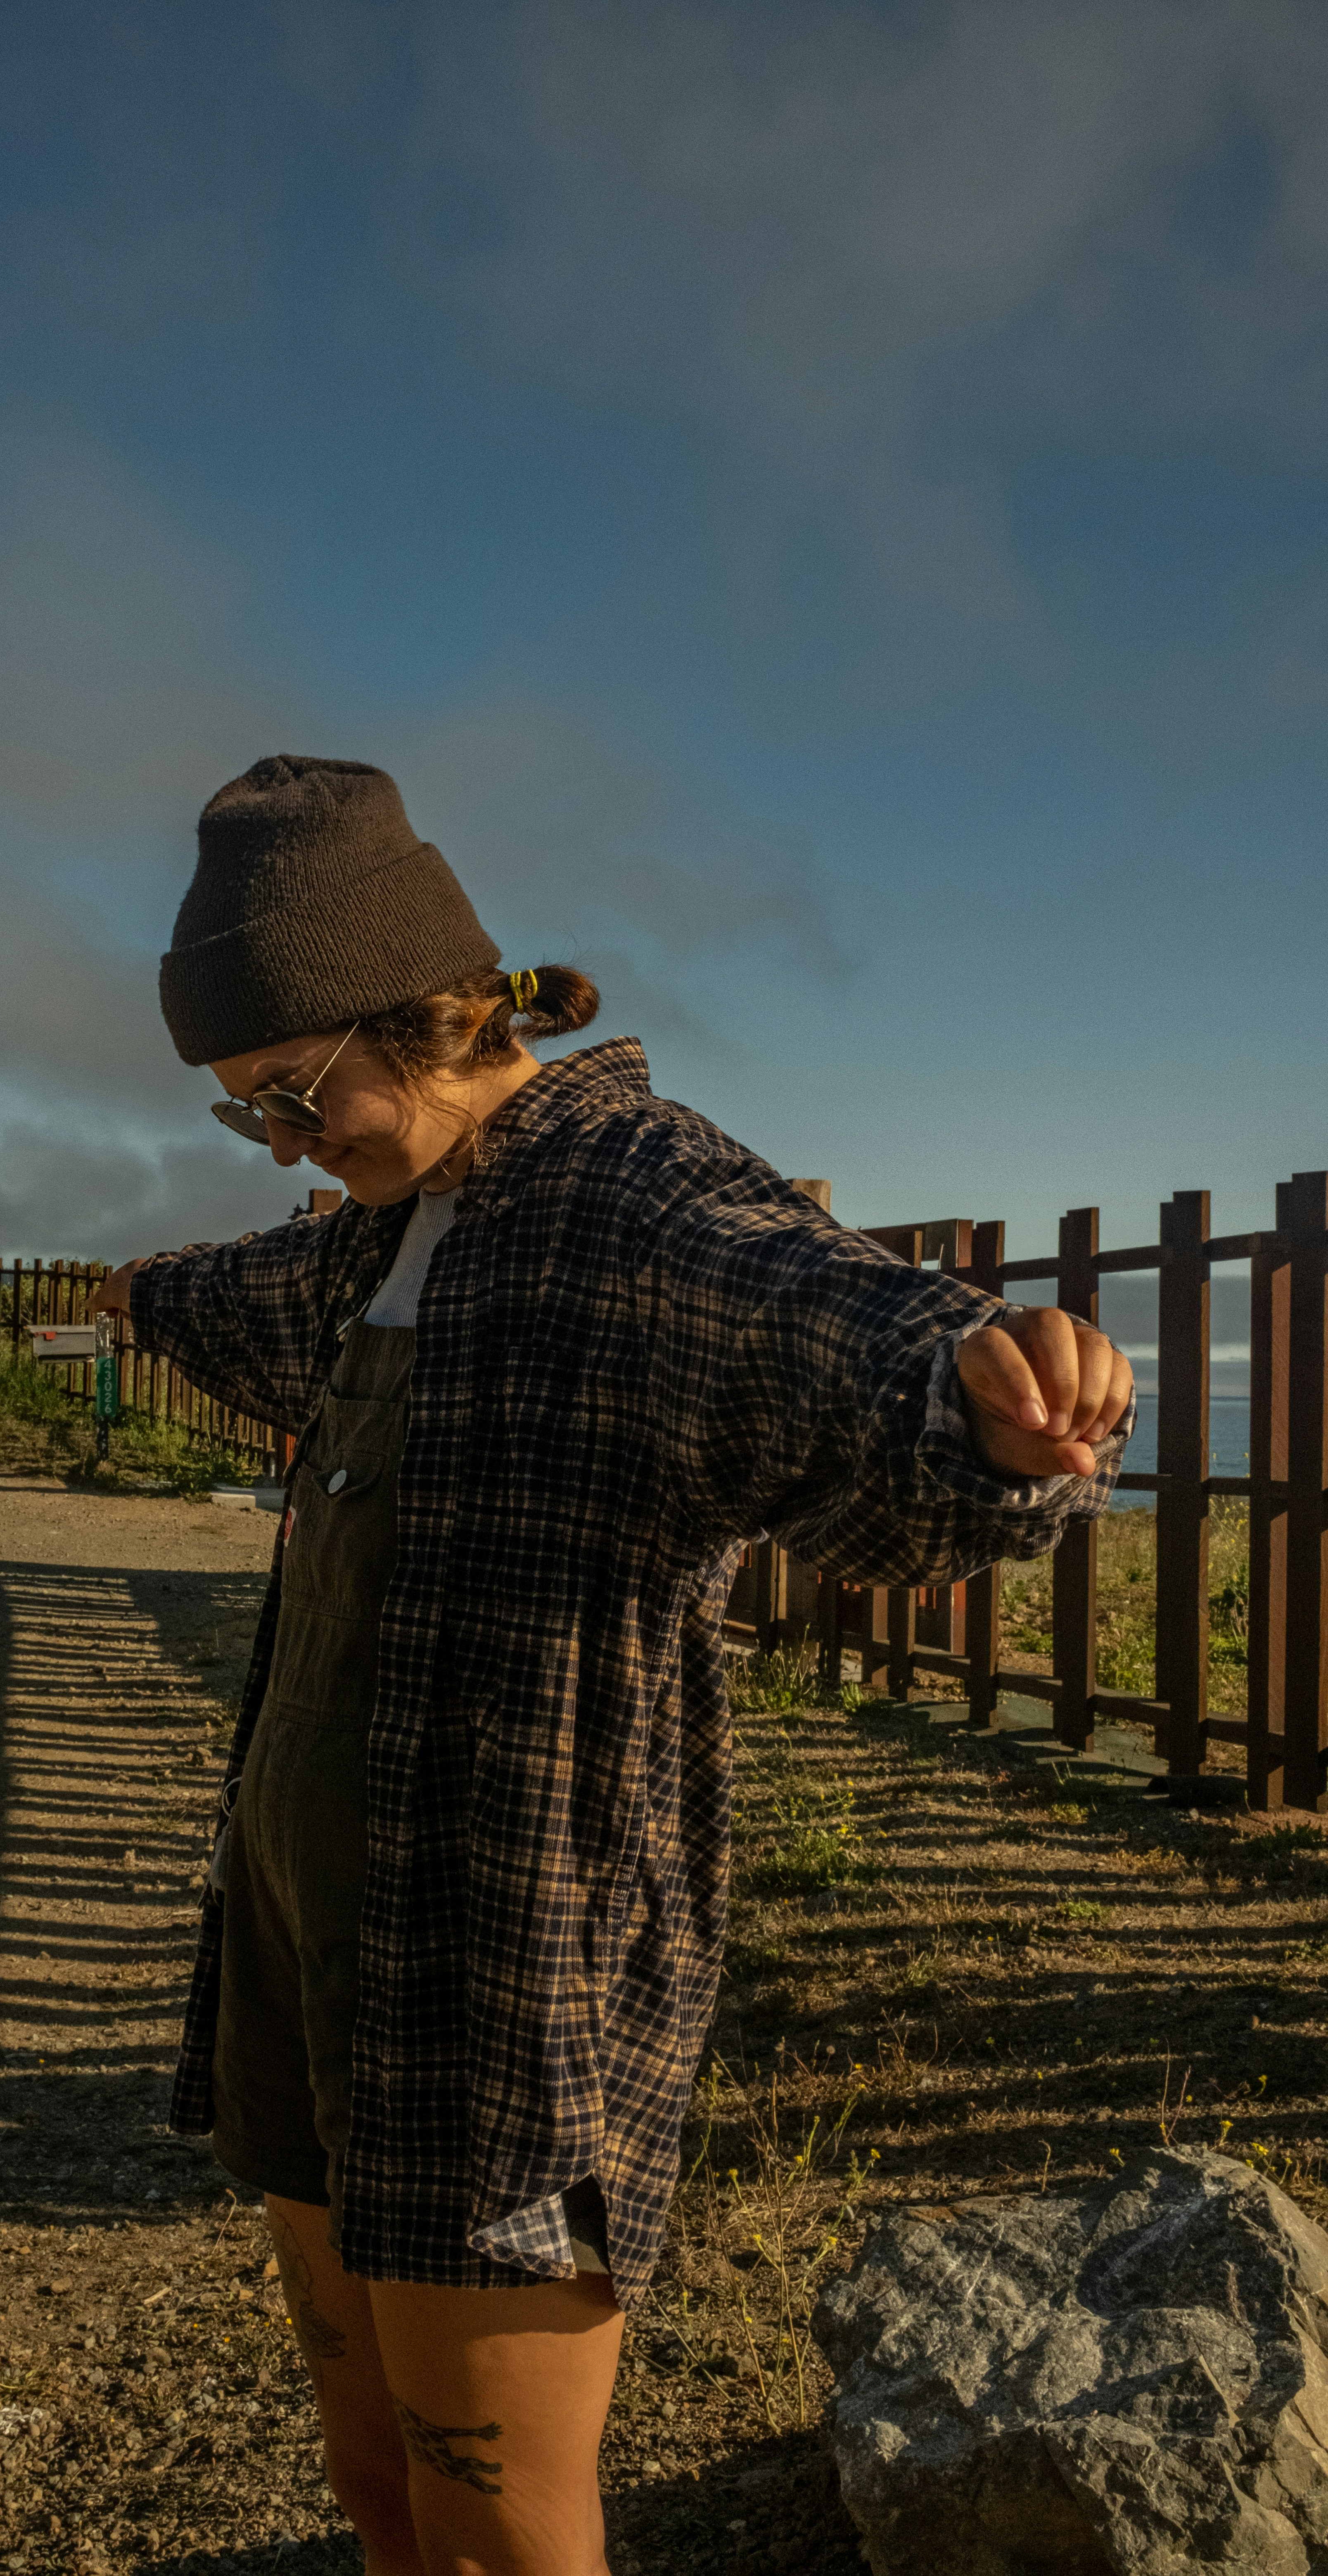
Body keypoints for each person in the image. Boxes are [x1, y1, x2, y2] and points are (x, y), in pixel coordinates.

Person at [92, 755, 1132, 2576]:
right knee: (371, 2482)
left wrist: (983, 1382)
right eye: (245, 1117)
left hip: (499, 1953)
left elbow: (819, 1310)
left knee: (500, 2521)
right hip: (291, 1918)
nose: (286, 1147)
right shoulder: (370, 1240)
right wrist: (132, 1294)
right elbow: (231, 1295)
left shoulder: (631, 1196)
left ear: (421, 1003)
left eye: (294, 1096)